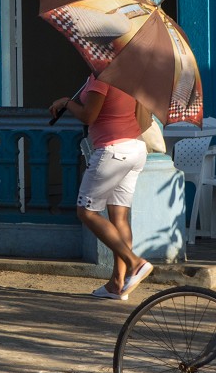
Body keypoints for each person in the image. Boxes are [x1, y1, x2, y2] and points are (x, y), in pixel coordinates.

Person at [50, 77, 154, 300]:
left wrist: (68, 102)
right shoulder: (129, 74)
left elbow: (89, 116)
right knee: (119, 216)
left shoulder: (103, 77)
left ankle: (135, 263)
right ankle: (117, 283)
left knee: (86, 211)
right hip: (134, 147)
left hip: (112, 151)